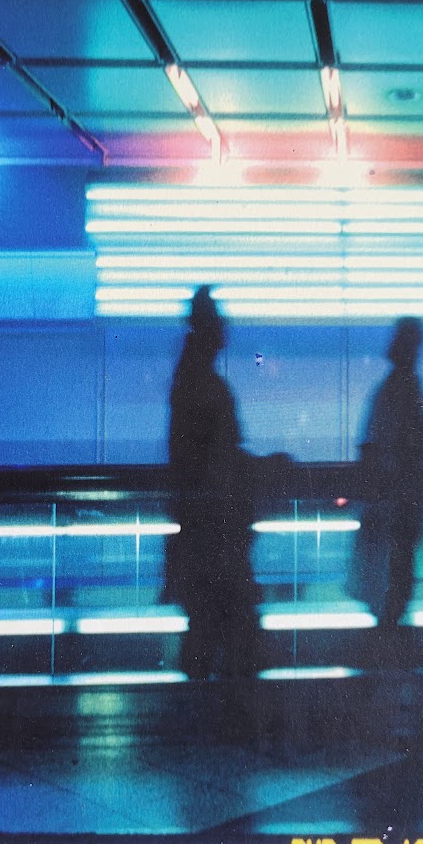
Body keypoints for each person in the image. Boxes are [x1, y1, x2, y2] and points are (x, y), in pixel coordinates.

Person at [164, 286, 271, 683]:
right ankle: (232, 721)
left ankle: (200, 721)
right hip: (218, 530)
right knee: (236, 630)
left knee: (207, 631)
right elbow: (220, 459)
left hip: (204, 530)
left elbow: (199, 460)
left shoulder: (189, 383)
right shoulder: (206, 387)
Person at [352, 317, 423, 664]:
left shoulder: (392, 387)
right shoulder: (407, 386)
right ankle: (394, 642)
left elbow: (372, 444)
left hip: (393, 497)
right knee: (400, 569)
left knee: (394, 570)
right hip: (404, 497)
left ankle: (388, 641)